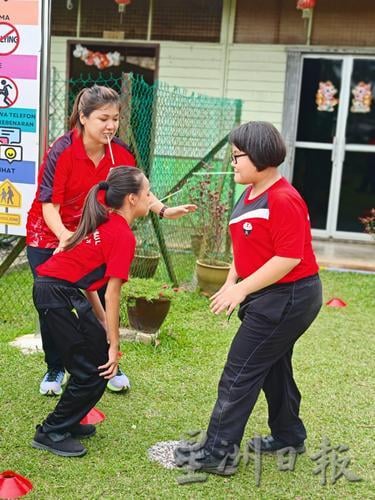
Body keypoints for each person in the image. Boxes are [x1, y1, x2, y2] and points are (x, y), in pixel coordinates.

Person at [26, 85, 196, 396]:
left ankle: (108, 360)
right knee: (54, 306)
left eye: (115, 119)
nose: (110, 125)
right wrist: (66, 236)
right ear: (83, 117)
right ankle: (55, 366)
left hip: (93, 234)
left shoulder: (120, 152)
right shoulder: (61, 151)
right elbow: (49, 204)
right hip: (50, 235)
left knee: (102, 296)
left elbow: (137, 188)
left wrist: (164, 210)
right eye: (103, 118)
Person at [174, 121, 322, 476]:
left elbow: (289, 257)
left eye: (238, 156)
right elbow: (246, 246)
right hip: (269, 294)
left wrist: (241, 290)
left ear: (260, 156)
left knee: (238, 373)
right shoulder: (252, 191)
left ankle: (218, 454)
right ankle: (289, 435)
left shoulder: (284, 198)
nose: (234, 163)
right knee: (272, 367)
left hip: (289, 297)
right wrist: (231, 281)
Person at [31, 166, 150, 457]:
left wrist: (100, 322)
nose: (151, 199)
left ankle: (69, 422)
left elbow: (89, 282)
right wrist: (114, 343)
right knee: (92, 368)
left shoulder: (108, 223)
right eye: (148, 193)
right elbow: (112, 292)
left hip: (60, 291)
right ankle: (50, 431)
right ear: (132, 199)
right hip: (56, 293)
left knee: (95, 364)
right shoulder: (121, 235)